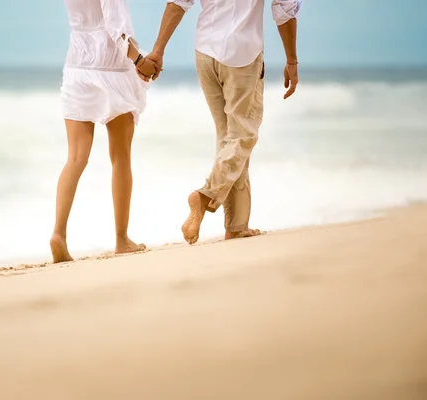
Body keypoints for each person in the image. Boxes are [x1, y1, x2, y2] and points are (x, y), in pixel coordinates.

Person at [141, 0, 302, 244]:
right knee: (242, 135)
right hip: (242, 53)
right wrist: (291, 61)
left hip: (205, 52)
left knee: (229, 137)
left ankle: (237, 225)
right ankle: (205, 196)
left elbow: (178, 2)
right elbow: (284, 9)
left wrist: (158, 50)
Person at [51, 0, 161, 263]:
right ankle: (122, 239)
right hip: (111, 65)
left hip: (78, 63)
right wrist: (139, 60)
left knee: (75, 159)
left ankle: (59, 234)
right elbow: (116, 27)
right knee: (120, 157)